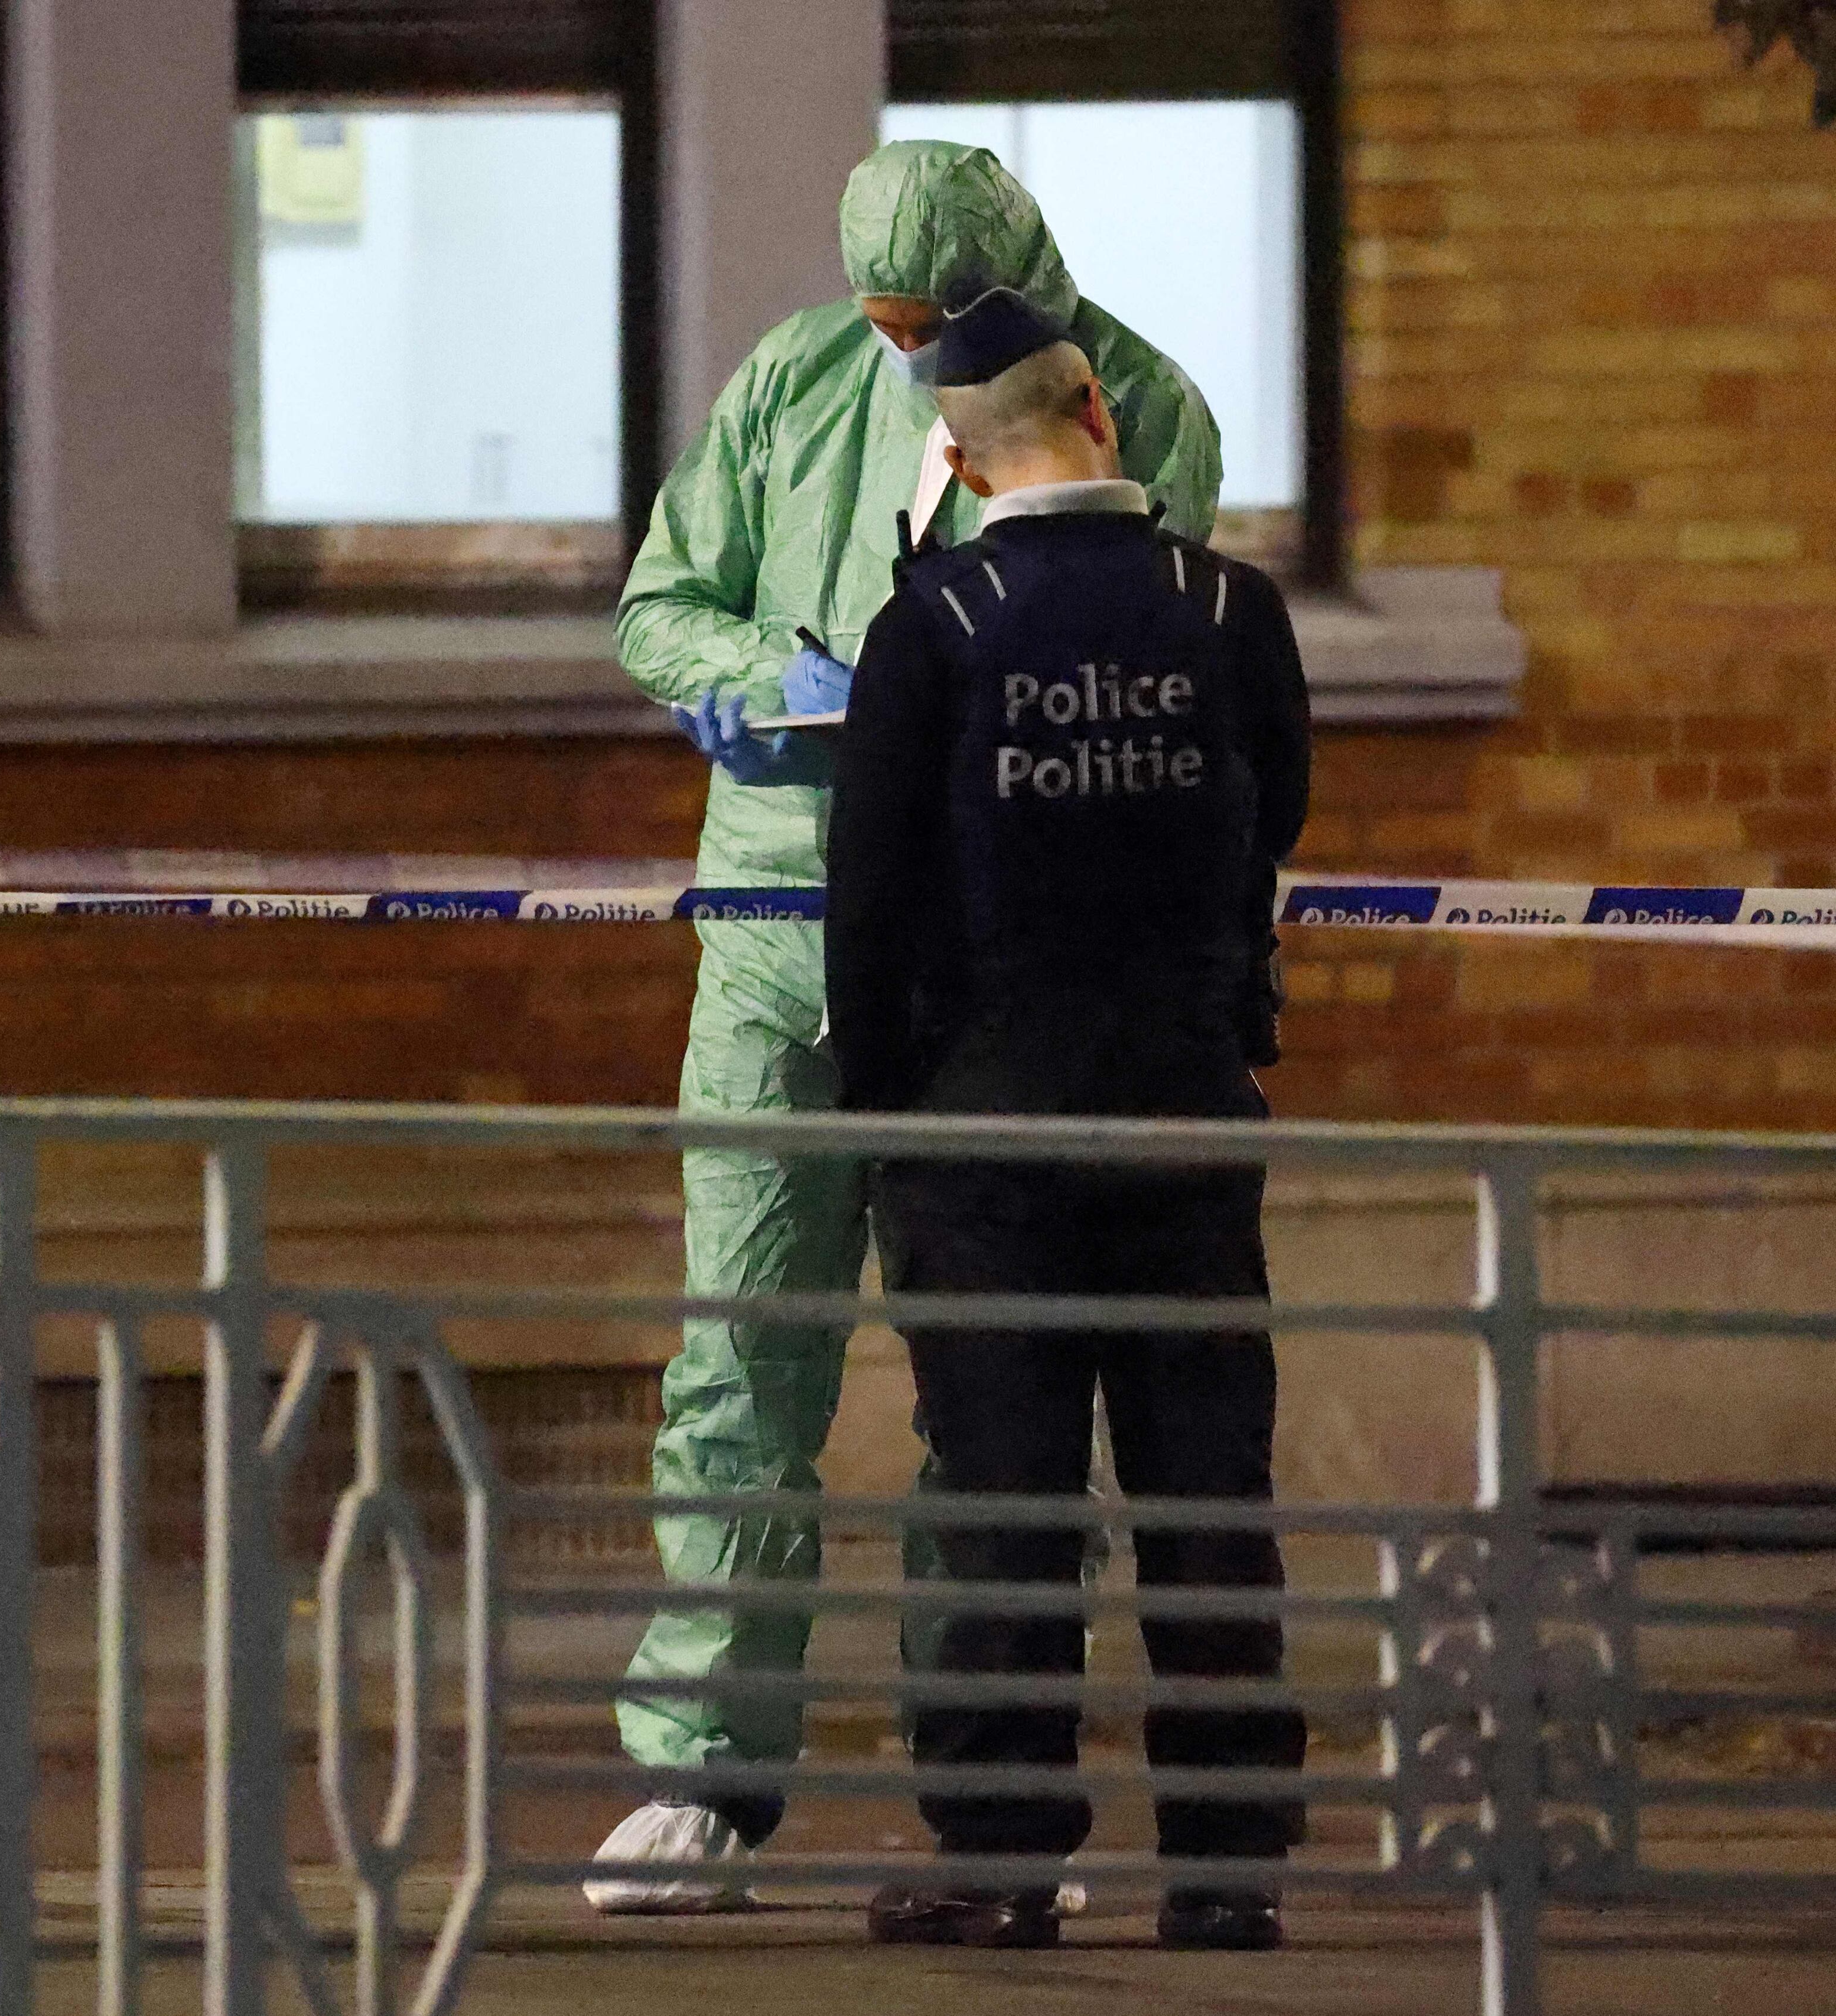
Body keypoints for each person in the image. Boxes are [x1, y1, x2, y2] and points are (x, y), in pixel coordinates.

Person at [588, 138, 1222, 1913]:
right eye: (897, 328)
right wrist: (757, 685)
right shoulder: (798, 381)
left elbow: (1143, 639)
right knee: (740, 1361)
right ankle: (700, 1774)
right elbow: (661, 602)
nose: (919, 361)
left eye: (945, 330)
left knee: (992, 1400)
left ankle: (990, 1807)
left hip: (987, 955)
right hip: (781, 934)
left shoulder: (1140, 403)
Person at [823, 284, 1312, 1952]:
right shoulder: (1227, 608)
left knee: (1004, 1497)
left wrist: (882, 1119)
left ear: (956, 461)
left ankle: (1002, 1847)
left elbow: (867, 905)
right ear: (1098, 407)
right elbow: (1276, 817)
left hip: (985, 1133)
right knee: (1202, 1486)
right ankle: (1230, 1859)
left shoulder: (934, 627)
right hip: (1182, 1110)